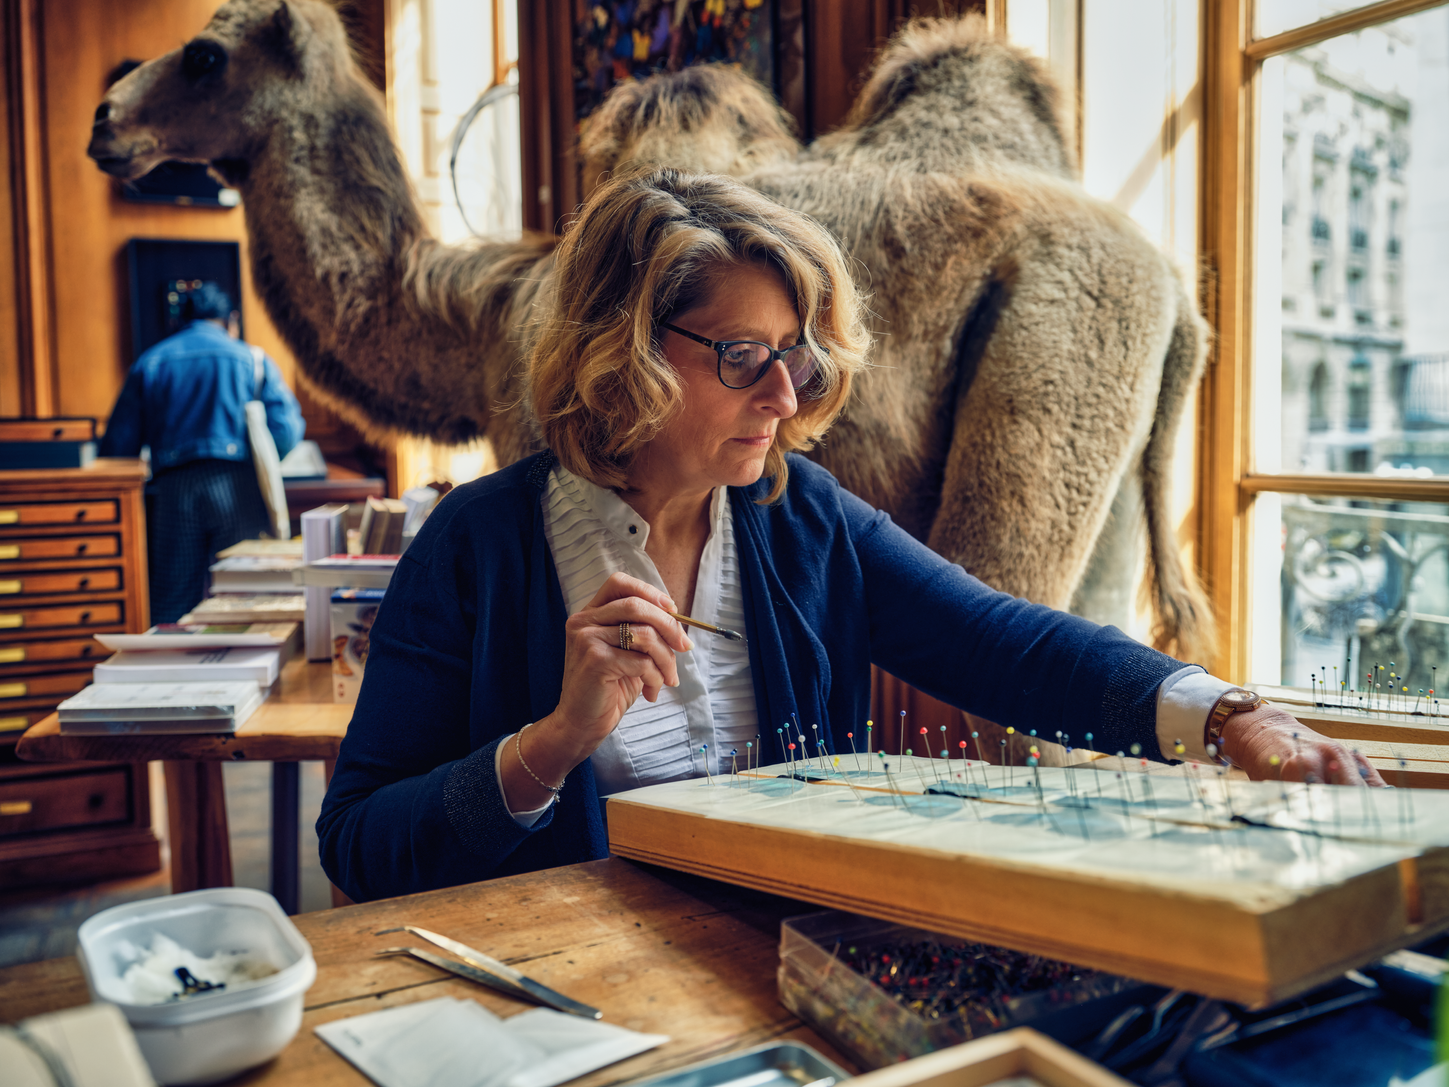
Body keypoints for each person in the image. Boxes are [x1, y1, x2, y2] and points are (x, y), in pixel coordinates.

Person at [318, 168, 1383, 904]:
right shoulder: (475, 545)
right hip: (560, 1005)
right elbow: (358, 846)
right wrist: (549, 744)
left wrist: (1228, 714)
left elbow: (1004, 642)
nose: (785, 395)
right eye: (742, 355)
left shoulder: (803, 518)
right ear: (621, 348)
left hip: (777, 960)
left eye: (799, 356)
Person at [100, 282, 305, 622]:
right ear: (231, 320)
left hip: (173, 490)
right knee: (244, 591)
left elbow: (118, 449)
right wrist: (263, 462)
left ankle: (173, 670)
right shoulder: (252, 360)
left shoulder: (152, 361)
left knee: (173, 597)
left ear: (181, 320)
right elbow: (287, 429)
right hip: (239, 487)